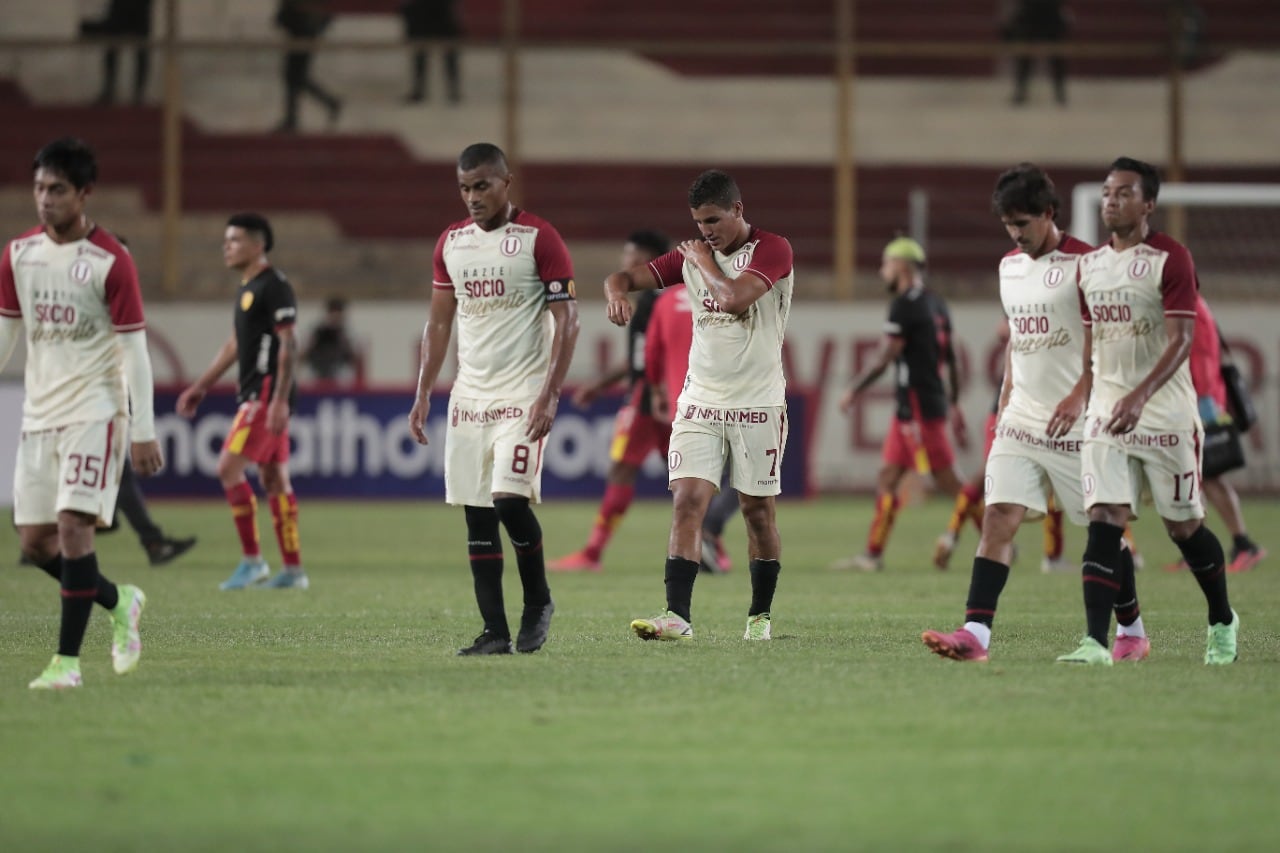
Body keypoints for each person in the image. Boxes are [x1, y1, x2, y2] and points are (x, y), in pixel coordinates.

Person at [922, 163, 1148, 663]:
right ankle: (975, 635)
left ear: (1049, 213)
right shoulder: (1009, 267)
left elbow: (1109, 344)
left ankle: (1132, 627)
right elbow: (1018, 343)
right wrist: (1004, 402)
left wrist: (1079, 395)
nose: (1016, 235)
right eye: (1008, 226)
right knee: (998, 517)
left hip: (1077, 420)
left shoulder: (1091, 265)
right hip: (1021, 417)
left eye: (1023, 223)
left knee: (1100, 530)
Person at [1059, 156, 1238, 665]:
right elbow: (1093, 344)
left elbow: (1183, 339)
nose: (1110, 200)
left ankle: (1222, 620)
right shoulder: (1088, 267)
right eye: (1107, 192)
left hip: (1165, 415)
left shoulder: (1172, 259)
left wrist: (1140, 396)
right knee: (1105, 519)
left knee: (1183, 528)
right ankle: (1096, 642)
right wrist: (1082, 394)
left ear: (1148, 204)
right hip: (1106, 415)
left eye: (1123, 193)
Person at [606, 169, 794, 643]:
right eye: (698, 222)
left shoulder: (773, 250)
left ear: (737, 210)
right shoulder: (692, 255)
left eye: (714, 219)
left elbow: (731, 299)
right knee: (687, 501)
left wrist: (703, 262)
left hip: (758, 402)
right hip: (700, 401)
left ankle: (759, 616)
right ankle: (678, 616)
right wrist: (615, 293)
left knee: (757, 512)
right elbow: (624, 276)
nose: (706, 230)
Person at [408, 142, 579, 656]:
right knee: (477, 515)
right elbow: (439, 322)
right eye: (464, 188)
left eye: (482, 185)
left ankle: (539, 601)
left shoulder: (538, 238)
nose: (472, 196)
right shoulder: (451, 244)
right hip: (469, 398)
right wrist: (422, 394)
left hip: (522, 396)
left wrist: (549, 396)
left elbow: (568, 320)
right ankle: (494, 632)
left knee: (509, 499)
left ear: (507, 182)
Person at [0, 137, 155, 688]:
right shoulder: (19, 253)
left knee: (72, 528)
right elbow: (7, 334)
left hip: (97, 409)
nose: (45, 199)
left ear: (84, 193)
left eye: (57, 190)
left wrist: (142, 429)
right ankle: (120, 602)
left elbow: (135, 350)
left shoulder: (111, 261)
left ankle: (66, 664)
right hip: (40, 415)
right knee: (35, 543)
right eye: (39, 188)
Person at [549, 230, 734, 574]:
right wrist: (601, 384)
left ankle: (592, 553)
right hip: (686, 401)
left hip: (650, 401)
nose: (628, 266)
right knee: (692, 479)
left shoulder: (654, 301)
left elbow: (647, 357)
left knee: (625, 469)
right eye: (626, 259)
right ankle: (713, 548)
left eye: (636, 261)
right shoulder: (698, 294)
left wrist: (645, 391)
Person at [177, 213, 308, 590]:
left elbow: (290, 342)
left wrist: (280, 400)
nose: (226, 246)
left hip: (266, 394)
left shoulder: (274, 285)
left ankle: (252, 561)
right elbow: (235, 344)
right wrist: (202, 384)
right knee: (273, 478)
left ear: (258, 245)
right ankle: (294, 570)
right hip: (259, 392)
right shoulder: (247, 288)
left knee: (227, 469)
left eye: (234, 240)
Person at [831, 236, 968, 572]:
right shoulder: (937, 304)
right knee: (888, 478)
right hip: (914, 407)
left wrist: (852, 389)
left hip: (920, 411)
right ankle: (872, 555)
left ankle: (998, 541)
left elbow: (884, 359)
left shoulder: (905, 305)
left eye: (886, 264)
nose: (882, 271)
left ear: (902, 267)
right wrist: (954, 402)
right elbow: (950, 359)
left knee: (949, 482)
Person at [1162, 294, 1265, 573]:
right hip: (1199, 397)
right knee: (1197, 476)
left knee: (1210, 475)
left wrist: (1204, 401)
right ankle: (1197, 547)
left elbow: (1201, 354)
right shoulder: (1192, 303)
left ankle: (1244, 544)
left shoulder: (1189, 304)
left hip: (1202, 400)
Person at [644, 272, 738, 574]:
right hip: (730, 399)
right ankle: (708, 533)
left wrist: (658, 391)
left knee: (694, 483)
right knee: (743, 473)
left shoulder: (665, 300)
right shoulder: (728, 295)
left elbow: (651, 353)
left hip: (683, 405)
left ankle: (696, 545)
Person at [274, 0, 342, 133]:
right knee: (294, 76)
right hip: (300, 30)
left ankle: (329, 103)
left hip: (304, 31)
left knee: (296, 76)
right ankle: (292, 118)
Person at [80, 0, 153, 106]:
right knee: (113, 47)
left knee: (141, 50)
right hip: (123, 7)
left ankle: (137, 94)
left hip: (138, 7)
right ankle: (111, 91)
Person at [1003, 0, 1069, 106]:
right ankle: (1021, 90)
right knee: (1024, 56)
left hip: (1051, 16)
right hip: (1031, 16)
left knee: (1057, 56)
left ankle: (1060, 92)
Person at [399, 0, 462, 104]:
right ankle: (452, 92)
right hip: (433, 17)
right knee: (422, 57)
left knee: (444, 56)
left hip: (437, 17)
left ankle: (452, 91)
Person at [301, 295, 359, 382]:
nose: (335, 319)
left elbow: (356, 360)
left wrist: (343, 339)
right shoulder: (318, 331)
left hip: (339, 374)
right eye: (333, 314)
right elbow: (302, 356)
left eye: (338, 315)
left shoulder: (347, 333)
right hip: (317, 373)